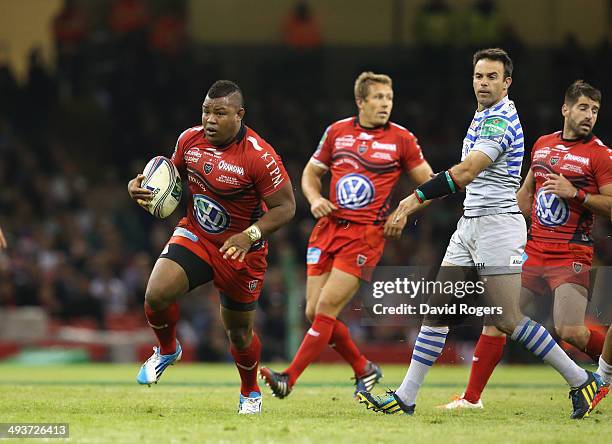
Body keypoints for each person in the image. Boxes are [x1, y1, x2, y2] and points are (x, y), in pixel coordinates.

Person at [356, 48, 605, 419]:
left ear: (507, 83)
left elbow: (468, 171)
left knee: (506, 319)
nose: (483, 83)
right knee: (437, 310)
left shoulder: (500, 120)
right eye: (478, 76)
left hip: (496, 227)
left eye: (492, 77)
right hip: (471, 224)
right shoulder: (482, 115)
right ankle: (406, 397)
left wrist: (412, 201)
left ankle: (579, 378)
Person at [259, 71, 434, 398]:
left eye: (389, 98)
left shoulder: (402, 140)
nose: (385, 104)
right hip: (327, 229)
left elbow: (430, 182)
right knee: (313, 312)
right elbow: (311, 173)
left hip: (365, 236)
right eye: (378, 98)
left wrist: (403, 211)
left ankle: (289, 379)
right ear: (360, 101)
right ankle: (364, 369)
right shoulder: (337, 132)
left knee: (324, 310)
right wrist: (315, 199)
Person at [127, 80, 296, 415]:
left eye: (220, 113)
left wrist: (248, 237)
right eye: (206, 111)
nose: (210, 119)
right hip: (197, 236)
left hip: (240, 250)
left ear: (239, 114)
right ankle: (167, 349)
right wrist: (138, 186)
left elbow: (286, 208)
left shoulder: (259, 156)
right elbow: (169, 176)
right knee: (155, 295)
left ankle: (249, 392)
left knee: (239, 333)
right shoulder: (189, 140)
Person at [443, 80, 612, 410]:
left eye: (594, 110)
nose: (589, 115)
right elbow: (524, 195)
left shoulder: (601, 155)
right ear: (566, 109)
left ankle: (601, 372)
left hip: (571, 252)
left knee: (570, 329)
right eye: (583, 107)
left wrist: (576, 194)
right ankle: (471, 398)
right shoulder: (543, 145)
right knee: (497, 317)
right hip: (533, 249)